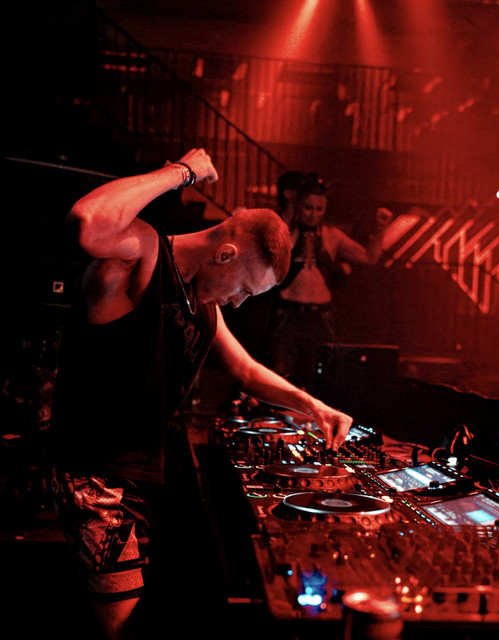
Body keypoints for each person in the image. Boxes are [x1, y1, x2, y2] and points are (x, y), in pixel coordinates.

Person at [47, 148, 353, 640]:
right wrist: (181, 172)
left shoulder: (204, 305)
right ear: (226, 254)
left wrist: (315, 407)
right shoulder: (143, 257)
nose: (240, 302)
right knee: (122, 629)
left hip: (139, 474)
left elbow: (246, 370)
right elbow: (87, 222)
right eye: (245, 289)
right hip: (94, 473)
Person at [268, 173, 394, 391]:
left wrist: (381, 229)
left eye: (320, 209)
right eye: (308, 208)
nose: (313, 214)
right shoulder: (285, 233)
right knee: (280, 377)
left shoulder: (332, 236)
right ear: (298, 206)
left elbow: (369, 257)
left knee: (321, 377)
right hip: (288, 314)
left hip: (321, 316)